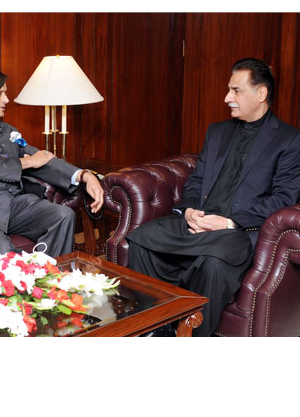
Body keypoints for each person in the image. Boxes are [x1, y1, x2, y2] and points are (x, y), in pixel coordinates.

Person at [126, 58, 300, 336]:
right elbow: (196, 180)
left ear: (261, 94)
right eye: (228, 90)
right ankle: (152, 329)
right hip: (200, 221)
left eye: (236, 90)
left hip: (238, 231)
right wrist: (190, 210)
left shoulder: (289, 140)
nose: (227, 97)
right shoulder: (217, 131)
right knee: (142, 238)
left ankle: (193, 338)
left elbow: (283, 199)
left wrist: (229, 222)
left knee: (214, 261)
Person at [0, 68, 104, 258]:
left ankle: (49, 278)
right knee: (2, 250)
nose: (6, 100)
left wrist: (84, 175)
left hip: (12, 205)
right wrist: (28, 162)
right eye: (0, 94)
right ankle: (30, 282)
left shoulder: (7, 130)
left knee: (62, 216)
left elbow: (41, 159)